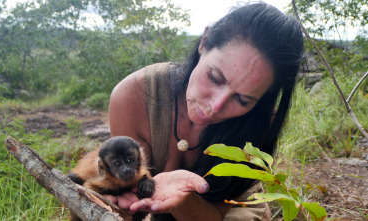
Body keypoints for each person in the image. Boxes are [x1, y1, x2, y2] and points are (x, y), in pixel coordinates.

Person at [108, 3, 304, 220]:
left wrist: (185, 200)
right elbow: (125, 199)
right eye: (215, 78)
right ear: (204, 43)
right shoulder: (133, 96)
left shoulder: (260, 123)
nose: (215, 107)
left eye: (242, 100)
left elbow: (217, 213)